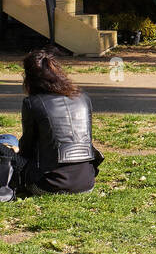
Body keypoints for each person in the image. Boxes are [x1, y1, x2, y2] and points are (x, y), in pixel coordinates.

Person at [16, 49, 103, 195]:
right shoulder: (83, 98)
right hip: (87, 182)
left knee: (9, 156)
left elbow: (27, 147)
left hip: (49, 184)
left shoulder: (32, 103)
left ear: (29, 78)